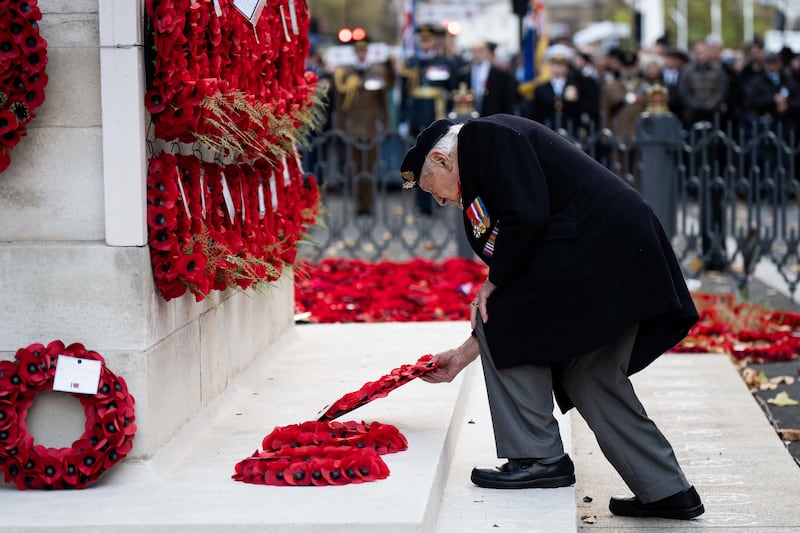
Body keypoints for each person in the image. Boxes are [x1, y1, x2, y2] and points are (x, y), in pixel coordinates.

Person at [399, 114, 704, 520]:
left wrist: (495, 282)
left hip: (600, 251)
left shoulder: (483, 137)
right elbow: (523, 236)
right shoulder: (478, 169)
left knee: (501, 313)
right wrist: (464, 352)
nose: (437, 201)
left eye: (429, 189)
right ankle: (667, 489)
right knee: (589, 373)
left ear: (441, 160)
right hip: (610, 253)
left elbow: (527, 217)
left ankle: (538, 458)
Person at [332, 37, 390, 216]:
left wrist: (385, 123)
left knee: (369, 167)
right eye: (359, 51)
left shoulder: (376, 71)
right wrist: (341, 127)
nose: (361, 54)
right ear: (355, 53)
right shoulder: (346, 73)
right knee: (355, 168)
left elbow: (383, 101)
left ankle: (368, 204)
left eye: (364, 51)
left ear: (367, 52)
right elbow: (340, 103)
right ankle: (358, 204)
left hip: (370, 127)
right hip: (352, 126)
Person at [454, 40, 516, 117]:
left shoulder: (501, 75)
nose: (477, 54)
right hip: (471, 118)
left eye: (480, 50)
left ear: (486, 52)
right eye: (474, 51)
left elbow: (507, 102)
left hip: (493, 117)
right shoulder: (463, 74)